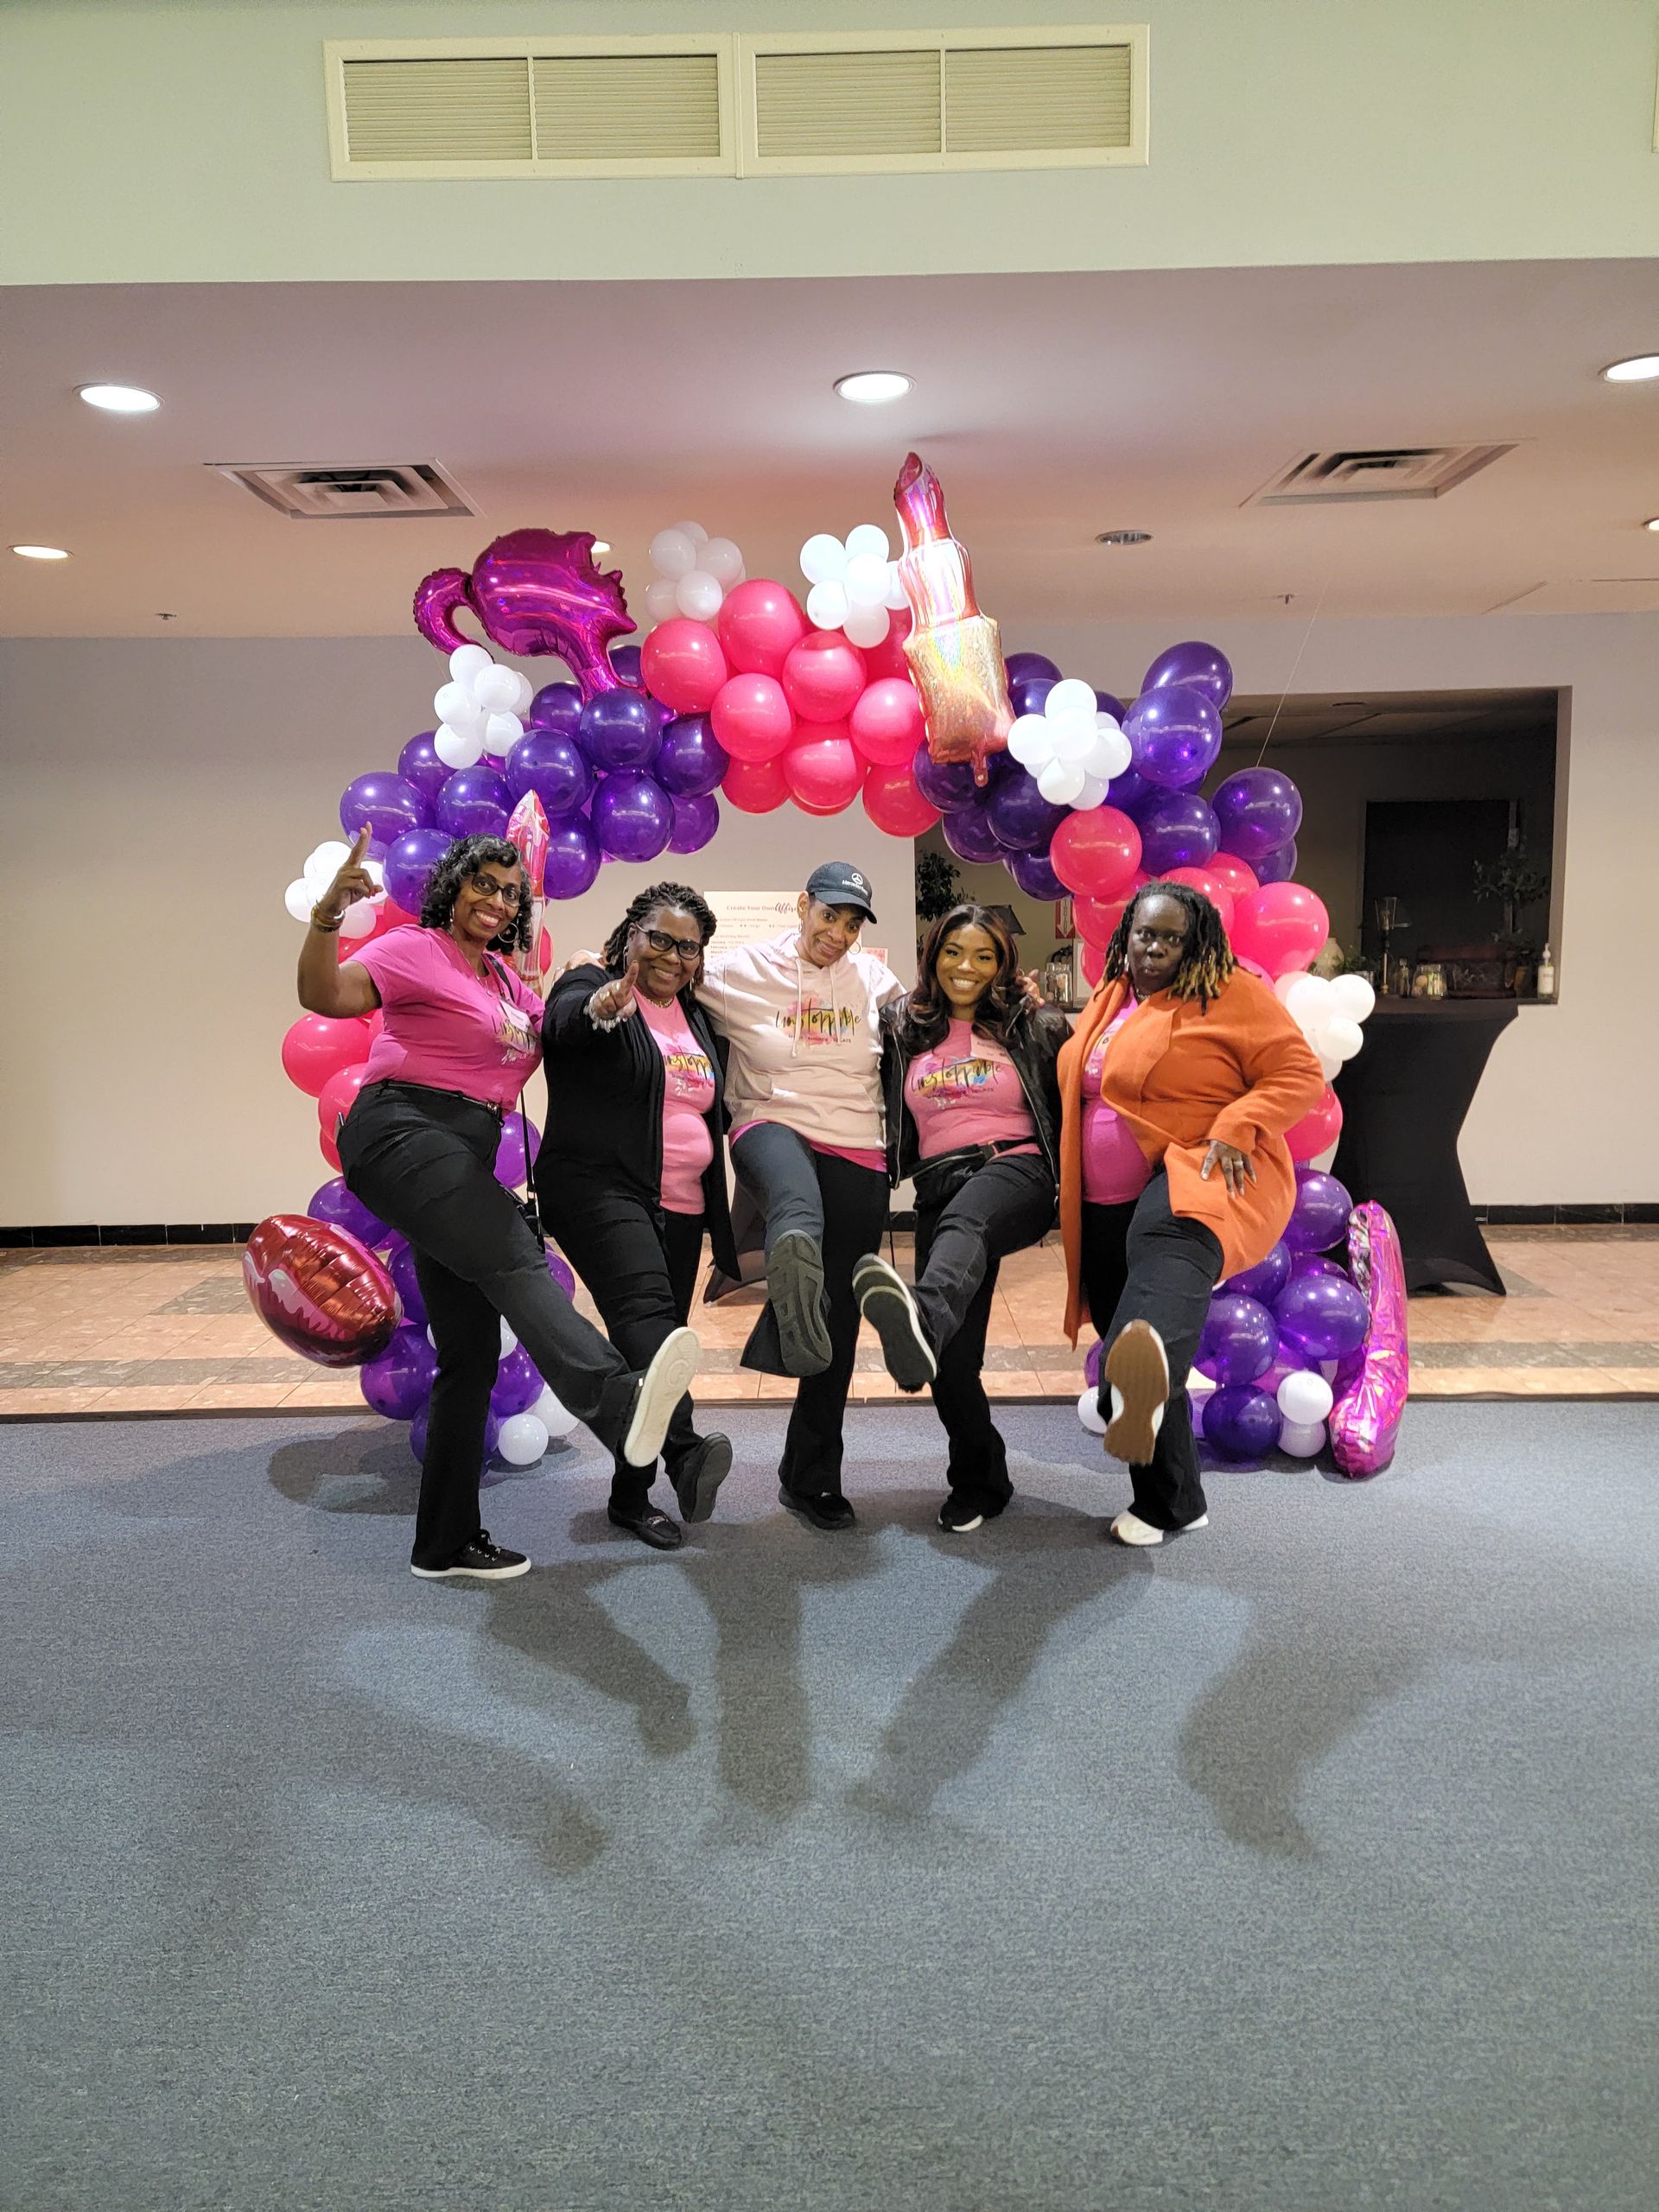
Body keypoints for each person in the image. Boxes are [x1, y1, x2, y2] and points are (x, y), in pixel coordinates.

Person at [299, 829, 702, 1583]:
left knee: (471, 1352)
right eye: (483, 882)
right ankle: (619, 1406)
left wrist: (606, 997)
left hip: (461, 1157)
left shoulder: (510, 986)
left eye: (511, 892)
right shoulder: (416, 950)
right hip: (402, 1130)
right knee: (517, 1253)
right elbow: (326, 996)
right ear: (454, 886)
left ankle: (444, 1543)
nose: (497, 900)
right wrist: (326, 919)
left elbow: (566, 1027)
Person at [1057, 880, 1325, 1546]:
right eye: (1144, 934)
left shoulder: (1230, 992)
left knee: (1161, 1274)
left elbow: (1299, 1074)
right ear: (1126, 936)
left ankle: (1129, 1387)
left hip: (1193, 1170)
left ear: (1196, 943)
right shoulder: (1113, 995)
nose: (1153, 949)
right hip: (1103, 1201)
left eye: (1170, 939)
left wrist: (1238, 1123)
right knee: (1145, 1338)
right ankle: (1175, 1500)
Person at [696, 861, 904, 1531]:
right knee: (796, 1208)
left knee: (836, 1316)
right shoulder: (742, 969)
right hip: (770, 1122)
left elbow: (929, 1027)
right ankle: (789, 1257)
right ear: (802, 905)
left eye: (852, 923)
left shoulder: (875, 981)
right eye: (829, 915)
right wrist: (594, 967)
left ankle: (811, 1477)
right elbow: (664, 975)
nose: (838, 933)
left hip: (857, 1142)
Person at [853, 903, 1070, 1532]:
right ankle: (981, 1480)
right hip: (940, 1186)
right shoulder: (903, 1024)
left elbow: (1081, 1095)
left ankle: (920, 1319)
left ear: (1003, 963)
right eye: (953, 952)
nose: (966, 967)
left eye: (983, 955)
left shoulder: (1034, 1022)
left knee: (965, 1225)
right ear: (933, 957)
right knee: (951, 1362)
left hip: (1016, 1168)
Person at [537, 882, 737, 1553]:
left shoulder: (694, 1014)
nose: (674, 957)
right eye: (661, 939)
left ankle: (630, 1499)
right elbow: (563, 1023)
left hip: (680, 1206)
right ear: (631, 935)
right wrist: (599, 1007)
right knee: (652, 1324)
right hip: (600, 1188)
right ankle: (683, 1451)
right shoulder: (593, 983)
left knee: (651, 1345)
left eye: (689, 948)